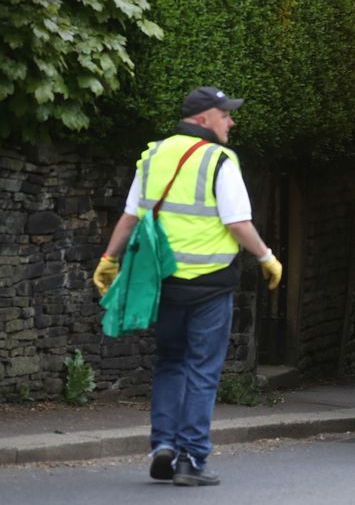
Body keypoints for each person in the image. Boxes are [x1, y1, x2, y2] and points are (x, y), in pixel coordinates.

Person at [92, 86, 283, 486]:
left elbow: (130, 217)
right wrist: (266, 257)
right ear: (202, 119)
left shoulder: (153, 155)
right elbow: (237, 223)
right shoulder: (220, 161)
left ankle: (163, 445)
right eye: (224, 115)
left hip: (165, 284)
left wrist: (109, 259)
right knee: (202, 370)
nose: (231, 122)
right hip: (211, 286)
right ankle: (191, 459)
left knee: (170, 363)